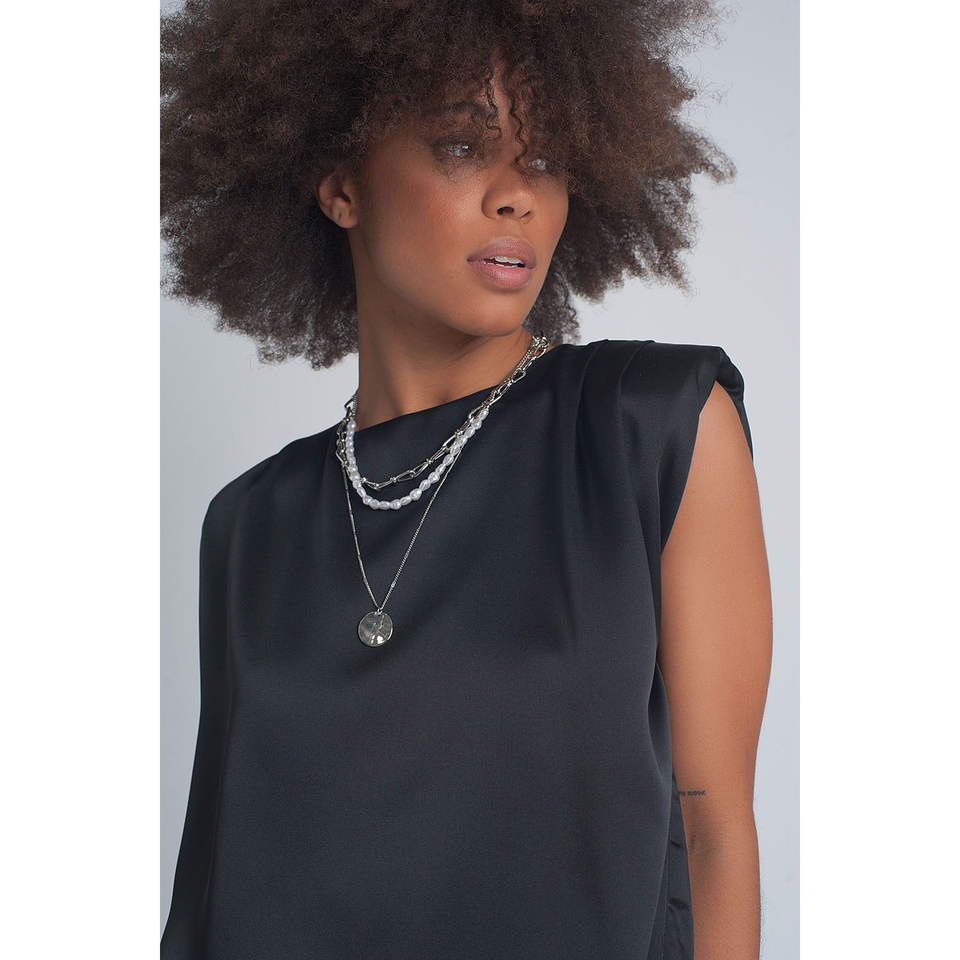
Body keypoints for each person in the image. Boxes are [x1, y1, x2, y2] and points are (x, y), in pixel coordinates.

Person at [160, 2, 772, 958]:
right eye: (461, 145)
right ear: (342, 186)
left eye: (547, 158)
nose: (518, 194)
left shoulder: (650, 424)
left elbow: (715, 832)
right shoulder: (250, 523)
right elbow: (216, 881)